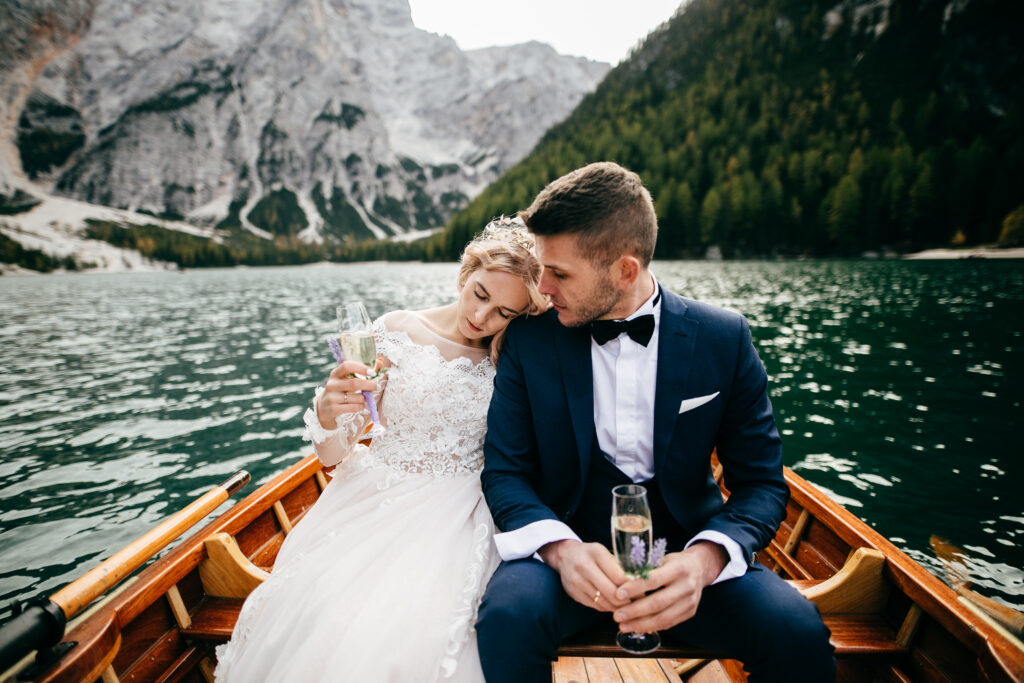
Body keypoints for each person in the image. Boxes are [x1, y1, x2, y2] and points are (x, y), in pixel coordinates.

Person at [475, 162, 836, 682]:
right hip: (569, 559)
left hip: (689, 561)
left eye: (560, 273)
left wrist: (705, 561)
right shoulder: (530, 342)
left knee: (795, 631)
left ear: (624, 270)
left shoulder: (724, 338)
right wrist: (560, 550)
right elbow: (505, 473)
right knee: (507, 617)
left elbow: (760, 483)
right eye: (541, 267)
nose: (543, 287)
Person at [214, 218, 547, 682]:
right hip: (373, 499)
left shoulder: (513, 355)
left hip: (463, 511)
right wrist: (332, 412)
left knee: (424, 631)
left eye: (505, 313)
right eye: (481, 293)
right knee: (327, 619)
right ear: (466, 271)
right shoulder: (396, 330)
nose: (483, 317)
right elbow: (332, 454)